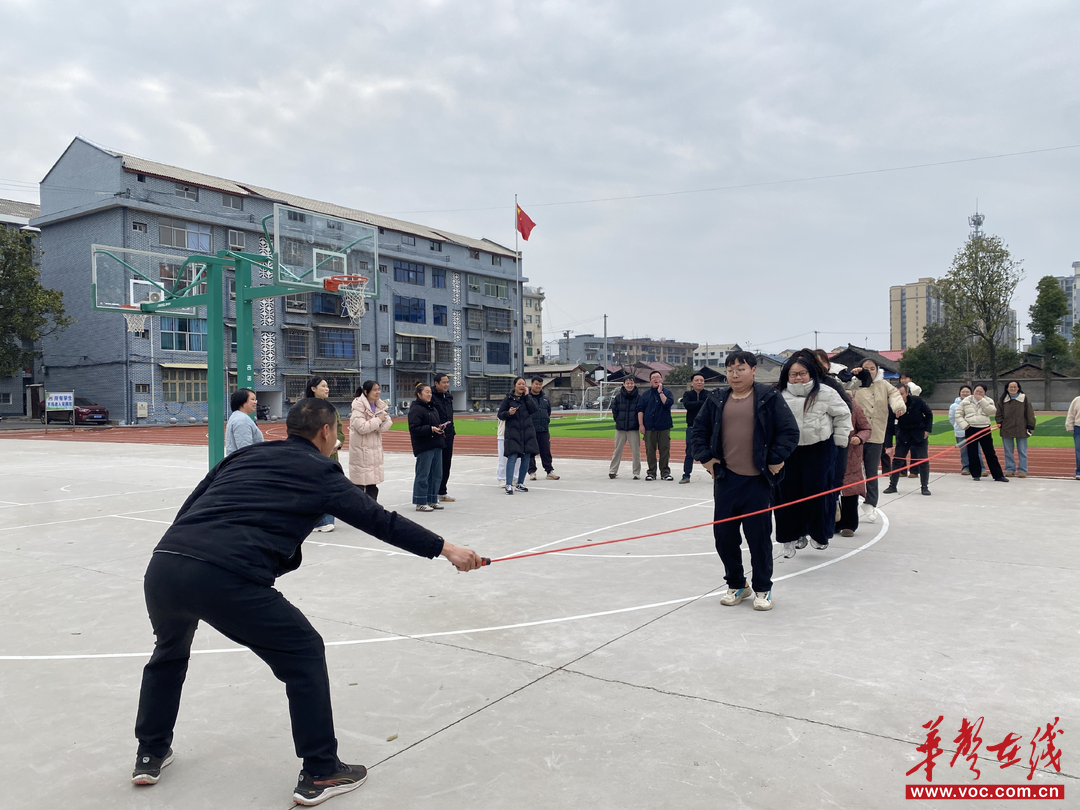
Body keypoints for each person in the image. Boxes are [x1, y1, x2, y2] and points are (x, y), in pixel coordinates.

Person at [131, 397, 483, 806]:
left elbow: (190, 506)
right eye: (339, 430)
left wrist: (182, 552)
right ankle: (321, 770)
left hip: (165, 565)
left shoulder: (245, 456)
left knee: (168, 654)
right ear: (325, 432)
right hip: (226, 574)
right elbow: (380, 521)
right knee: (304, 651)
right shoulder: (321, 470)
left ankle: (150, 753)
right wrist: (446, 548)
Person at [690, 351, 799, 611]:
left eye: (740, 369)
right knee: (724, 537)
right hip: (726, 480)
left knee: (758, 538)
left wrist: (776, 458)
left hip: (757, 481)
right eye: (730, 370)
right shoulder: (717, 398)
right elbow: (699, 430)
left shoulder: (768, 397)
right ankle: (737, 584)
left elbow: (789, 431)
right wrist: (706, 459)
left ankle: (763, 588)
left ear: (753, 370)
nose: (735, 375)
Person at [774, 353, 851, 557]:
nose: (798, 378)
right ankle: (789, 538)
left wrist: (840, 439)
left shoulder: (826, 392)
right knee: (787, 497)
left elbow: (843, 414)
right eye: (793, 374)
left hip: (819, 451)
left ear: (811, 374)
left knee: (818, 495)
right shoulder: (778, 395)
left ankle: (819, 534)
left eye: (802, 373)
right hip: (788, 453)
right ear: (786, 376)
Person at [846, 358, 905, 523]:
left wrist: (899, 407)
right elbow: (845, 398)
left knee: (872, 471)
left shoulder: (884, 385)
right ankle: (848, 504)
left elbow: (895, 395)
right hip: (855, 436)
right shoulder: (854, 384)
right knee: (851, 472)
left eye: (872, 368)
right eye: (866, 368)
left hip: (876, 434)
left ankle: (871, 503)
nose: (870, 371)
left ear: (877, 370)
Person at [306, 377, 344, 533]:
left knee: (330, 486)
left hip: (331, 454)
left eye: (327, 386)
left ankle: (327, 520)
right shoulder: (306, 408)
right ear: (313, 389)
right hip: (314, 454)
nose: (327, 388)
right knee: (314, 487)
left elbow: (339, 429)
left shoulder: (331, 408)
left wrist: (337, 442)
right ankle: (318, 521)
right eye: (323, 386)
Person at [883, 384, 934, 496]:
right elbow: (889, 427)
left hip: (919, 434)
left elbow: (929, 414)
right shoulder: (892, 406)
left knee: (923, 460)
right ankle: (892, 486)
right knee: (897, 460)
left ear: (907, 393)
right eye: (897, 394)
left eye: (902, 394)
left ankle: (924, 487)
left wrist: (927, 430)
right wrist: (889, 446)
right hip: (903, 436)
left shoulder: (917, 401)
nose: (900, 396)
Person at [955, 383, 1008, 483]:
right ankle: (976, 474)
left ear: (985, 393)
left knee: (990, 452)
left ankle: (998, 475)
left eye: (981, 392)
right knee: (972, 452)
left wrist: (981, 400)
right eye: (976, 391)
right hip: (971, 429)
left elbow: (991, 411)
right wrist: (965, 425)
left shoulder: (988, 400)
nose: (978, 393)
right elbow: (958, 414)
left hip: (984, 428)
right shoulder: (966, 401)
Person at [348, 380, 392, 501]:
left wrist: (380, 422)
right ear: (366, 392)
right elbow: (362, 427)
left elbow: (385, 425)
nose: (378, 392)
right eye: (375, 390)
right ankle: (359, 510)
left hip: (374, 452)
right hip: (361, 452)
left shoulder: (379, 406)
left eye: (379, 389)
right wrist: (378, 420)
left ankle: (371, 510)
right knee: (360, 485)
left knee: (372, 486)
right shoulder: (358, 406)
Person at [407, 383, 447, 511]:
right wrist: (430, 429)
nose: (429, 394)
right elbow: (414, 429)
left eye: (430, 392)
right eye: (426, 392)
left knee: (436, 475)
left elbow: (434, 424)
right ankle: (420, 501)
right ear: (419, 394)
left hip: (436, 444)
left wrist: (439, 427)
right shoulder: (416, 409)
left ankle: (432, 499)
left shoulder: (432, 408)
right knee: (423, 475)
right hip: (424, 446)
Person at [836, 401, 872, 538]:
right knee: (829, 490)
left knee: (850, 490)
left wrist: (859, 437)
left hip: (851, 455)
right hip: (829, 453)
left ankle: (849, 525)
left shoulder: (854, 407)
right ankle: (833, 523)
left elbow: (866, 429)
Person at [498, 377, 539, 494]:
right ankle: (508, 484)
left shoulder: (527, 398)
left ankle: (520, 483)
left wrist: (527, 396)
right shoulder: (508, 399)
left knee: (526, 458)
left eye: (523, 384)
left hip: (527, 432)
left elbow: (534, 409)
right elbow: (500, 415)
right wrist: (509, 413)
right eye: (519, 384)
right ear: (514, 386)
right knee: (512, 457)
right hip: (513, 433)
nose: (522, 386)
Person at [637, 370, 675, 481]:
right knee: (650, 451)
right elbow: (640, 410)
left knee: (664, 450)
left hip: (664, 426)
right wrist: (641, 425)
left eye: (658, 377)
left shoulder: (667, 392)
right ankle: (651, 472)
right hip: (649, 427)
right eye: (653, 377)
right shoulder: (645, 395)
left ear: (661, 379)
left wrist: (660, 392)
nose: (656, 379)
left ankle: (665, 472)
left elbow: (667, 403)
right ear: (650, 381)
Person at [996, 380, 1036, 477]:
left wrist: (1031, 426)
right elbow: (998, 413)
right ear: (1007, 388)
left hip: (1021, 428)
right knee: (1008, 451)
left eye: (1015, 387)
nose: (1013, 389)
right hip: (1006, 429)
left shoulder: (1024, 398)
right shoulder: (1003, 399)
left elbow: (1030, 413)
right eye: (1011, 387)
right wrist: (1001, 423)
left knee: (1022, 451)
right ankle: (1009, 469)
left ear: (1018, 388)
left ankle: (1022, 470)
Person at [527, 377, 560, 480]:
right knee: (530, 452)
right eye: (536, 384)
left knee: (546, 451)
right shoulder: (527, 398)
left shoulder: (545, 398)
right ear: (532, 384)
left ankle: (549, 471)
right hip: (531, 429)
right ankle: (532, 472)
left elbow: (548, 412)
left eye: (540, 384)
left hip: (544, 429)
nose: (538, 386)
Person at [608, 377, 641, 480]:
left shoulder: (639, 398)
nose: (630, 385)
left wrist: (637, 423)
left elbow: (641, 411)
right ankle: (613, 471)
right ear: (623, 384)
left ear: (634, 384)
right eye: (627, 383)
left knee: (636, 451)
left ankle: (636, 472)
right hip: (620, 428)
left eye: (631, 383)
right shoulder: (618, 398)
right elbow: (615, 410)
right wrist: (618, 420)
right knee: (617, 450)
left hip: (633, 428)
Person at [431, 373, 457, 502]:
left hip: (449, 434)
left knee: (446, 464)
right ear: (436, 383)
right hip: (436, 435)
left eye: (448, 382)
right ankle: (431, 492)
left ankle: (442, 491)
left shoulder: (448, 396)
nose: (446, 384)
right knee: (435, 465)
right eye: (444, 382)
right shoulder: (431, 397)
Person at [679, 373, 708, 484]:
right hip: (692, 427)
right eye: (697, 380)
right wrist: (701, 403)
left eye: (701, 380)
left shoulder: (708, 394)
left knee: (710, 451)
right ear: (692, 383)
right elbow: (687, 405)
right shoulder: (687, 394)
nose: (699, 382)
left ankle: (714, 473)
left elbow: (708, 406)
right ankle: (686, 475)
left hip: (706, 428)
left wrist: (695, 405)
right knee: (689, 452)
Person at [948, 385, 980, 475]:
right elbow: (952, 418)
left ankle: (980, 468)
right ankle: (966, 467)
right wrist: (958, 426)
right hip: (960, 431)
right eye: (963, 392)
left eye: (967, 392)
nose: (965, 393)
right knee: (964, 451)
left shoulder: (976, 403)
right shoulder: (954, 406)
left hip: (974, 430)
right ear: (960, 393)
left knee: (977, 451)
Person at [225, 388, 264, 456]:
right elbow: (245, 449)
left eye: (255, 400)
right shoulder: (242, 420)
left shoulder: (236, 416)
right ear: (242, 401)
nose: (255, 402)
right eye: (252, 399)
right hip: (245, 461)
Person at [1066, 394, 1080, 479]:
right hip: (1078, 428)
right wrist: (1069, 425)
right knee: (1079, 451)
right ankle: (1079, 472)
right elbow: (1071, 414)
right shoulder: (1077, 400)